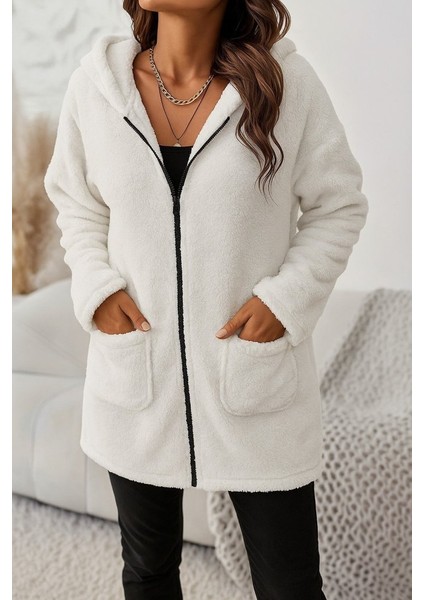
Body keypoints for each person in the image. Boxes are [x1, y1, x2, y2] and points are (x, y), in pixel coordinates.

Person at [44, 1, 369, 598]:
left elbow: (339, 205)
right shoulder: (96, 88)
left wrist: (285, 301)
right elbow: (76, 203)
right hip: (137, 382)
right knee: (147, 573)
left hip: (253, 382)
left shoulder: (285, 85)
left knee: (291, 585)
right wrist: (97, 287)